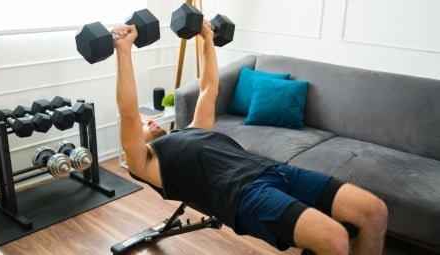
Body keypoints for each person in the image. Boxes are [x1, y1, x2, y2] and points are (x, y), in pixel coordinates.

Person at [112, 21, 388, 255]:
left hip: (276, 171)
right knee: (334, 239)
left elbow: (209, 89)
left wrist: (207, 40)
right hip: (244, 195)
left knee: (373, 211)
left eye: (147, 119)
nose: (146, 120)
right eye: (143, 125)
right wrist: (124, 52)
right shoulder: (145, 161)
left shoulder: (194, 128)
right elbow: (127, 113)